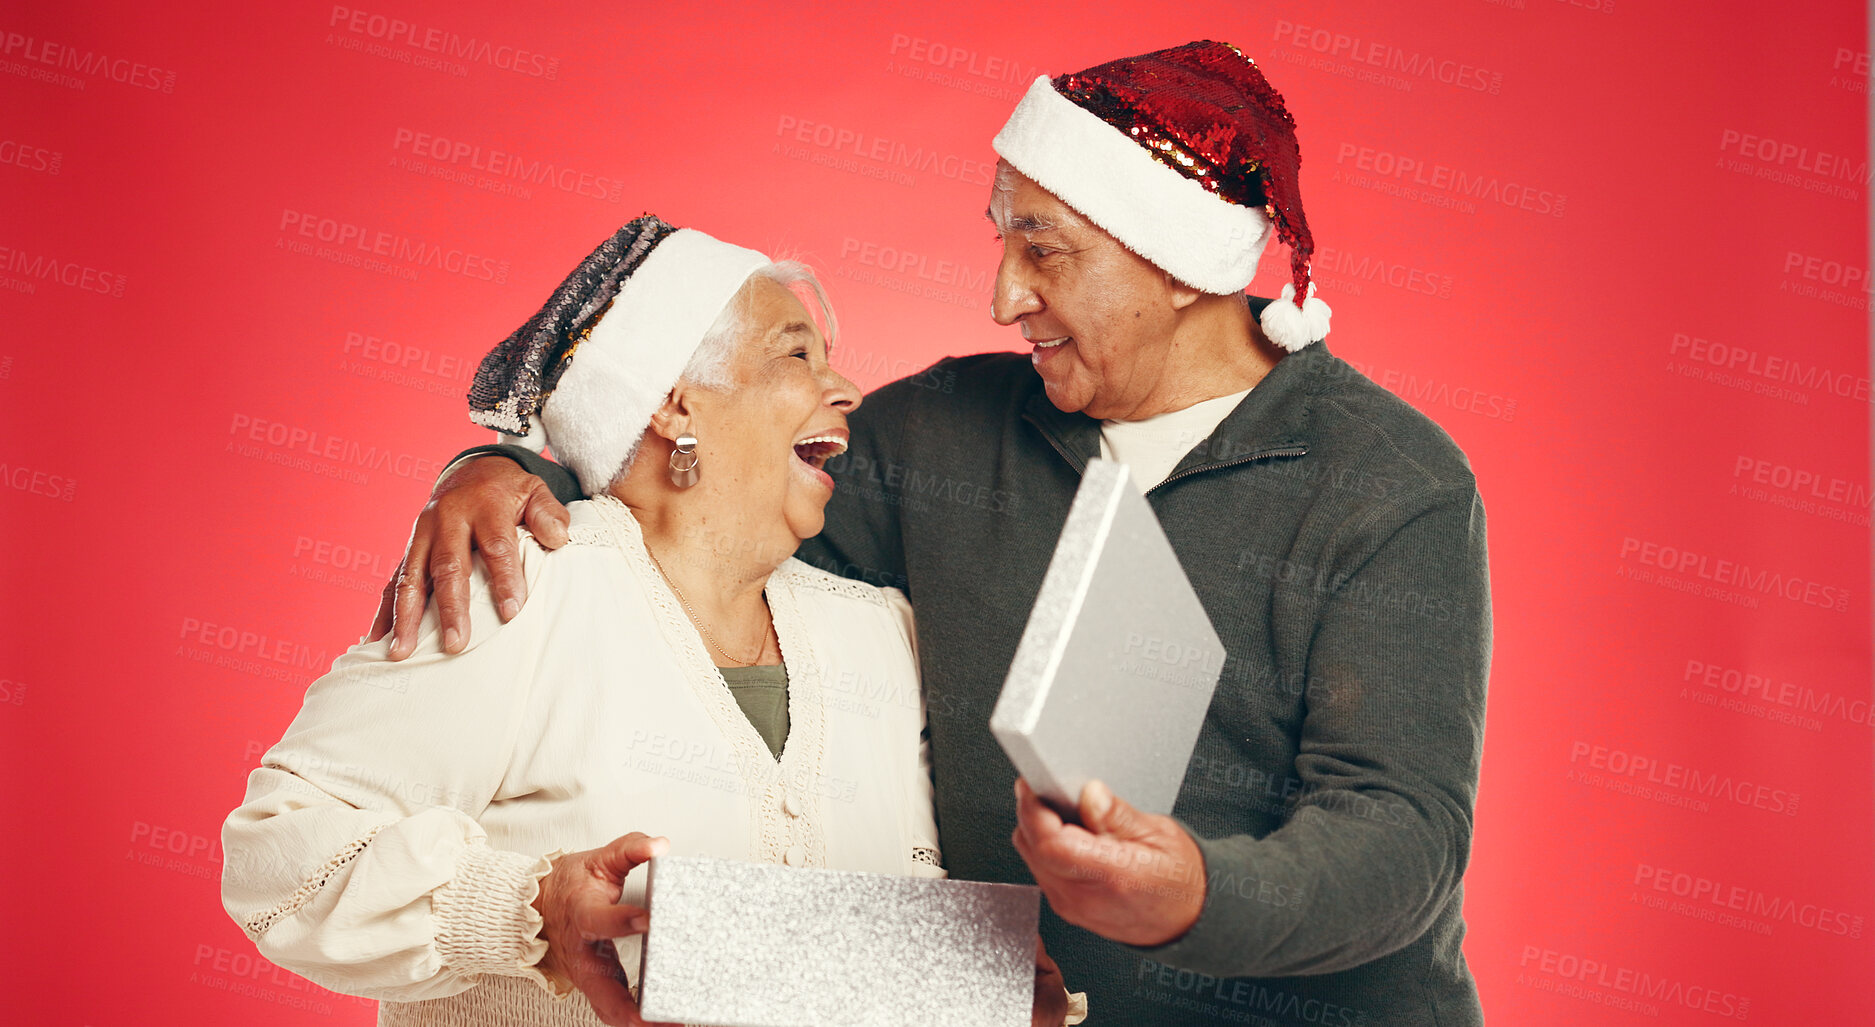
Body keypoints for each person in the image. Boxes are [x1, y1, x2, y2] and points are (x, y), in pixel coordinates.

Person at [379, 42, 1492, 1027]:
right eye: (1002, 240)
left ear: (1181, 266)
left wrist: (1194, 893)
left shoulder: (1388, 483)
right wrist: (500, 466)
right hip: (1002, 1007)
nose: (1004, 295)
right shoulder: (944, 432)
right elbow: (700, 494)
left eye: (1045, 250)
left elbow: (1403, 829)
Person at [222, 216, 1076, 1027]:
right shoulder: (521, 588)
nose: (846, 389)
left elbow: (821, 955)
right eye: (796, 354)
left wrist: (977, 989)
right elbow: (285, 862)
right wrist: (531, 908)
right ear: (675, 404)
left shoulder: (882, 637)